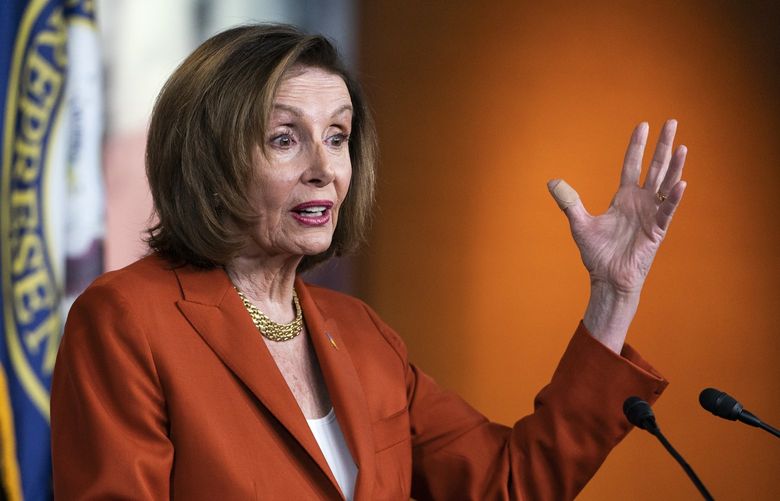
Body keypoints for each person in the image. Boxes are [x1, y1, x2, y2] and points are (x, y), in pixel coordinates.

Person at [50, 24, 687, 500]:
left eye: (337, 136)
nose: (324, 170)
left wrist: (613, 294)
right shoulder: (127, 319)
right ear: (209, 160)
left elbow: (510, 483)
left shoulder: (363, 335)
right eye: (284, 138)